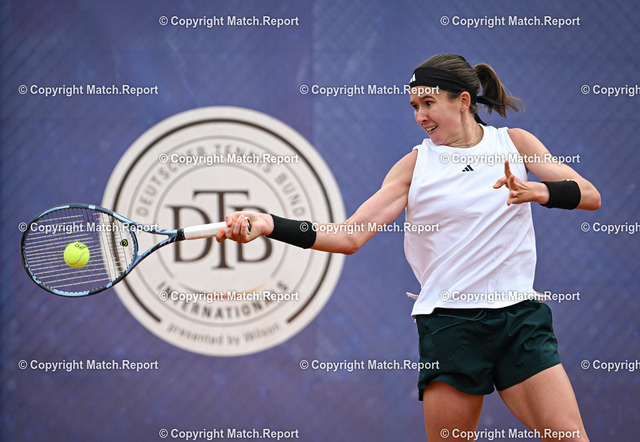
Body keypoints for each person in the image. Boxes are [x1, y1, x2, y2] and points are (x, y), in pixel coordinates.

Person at [216, 53, 600, 441]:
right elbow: (349, 236)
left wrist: (541, 191)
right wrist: (269, 224)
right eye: (415, 106)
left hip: (520, 320)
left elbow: (589, 194)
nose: (420, 116)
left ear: (463, 101)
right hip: (451, 325)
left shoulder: (515, 143)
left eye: (428, 103)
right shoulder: (415, 166)